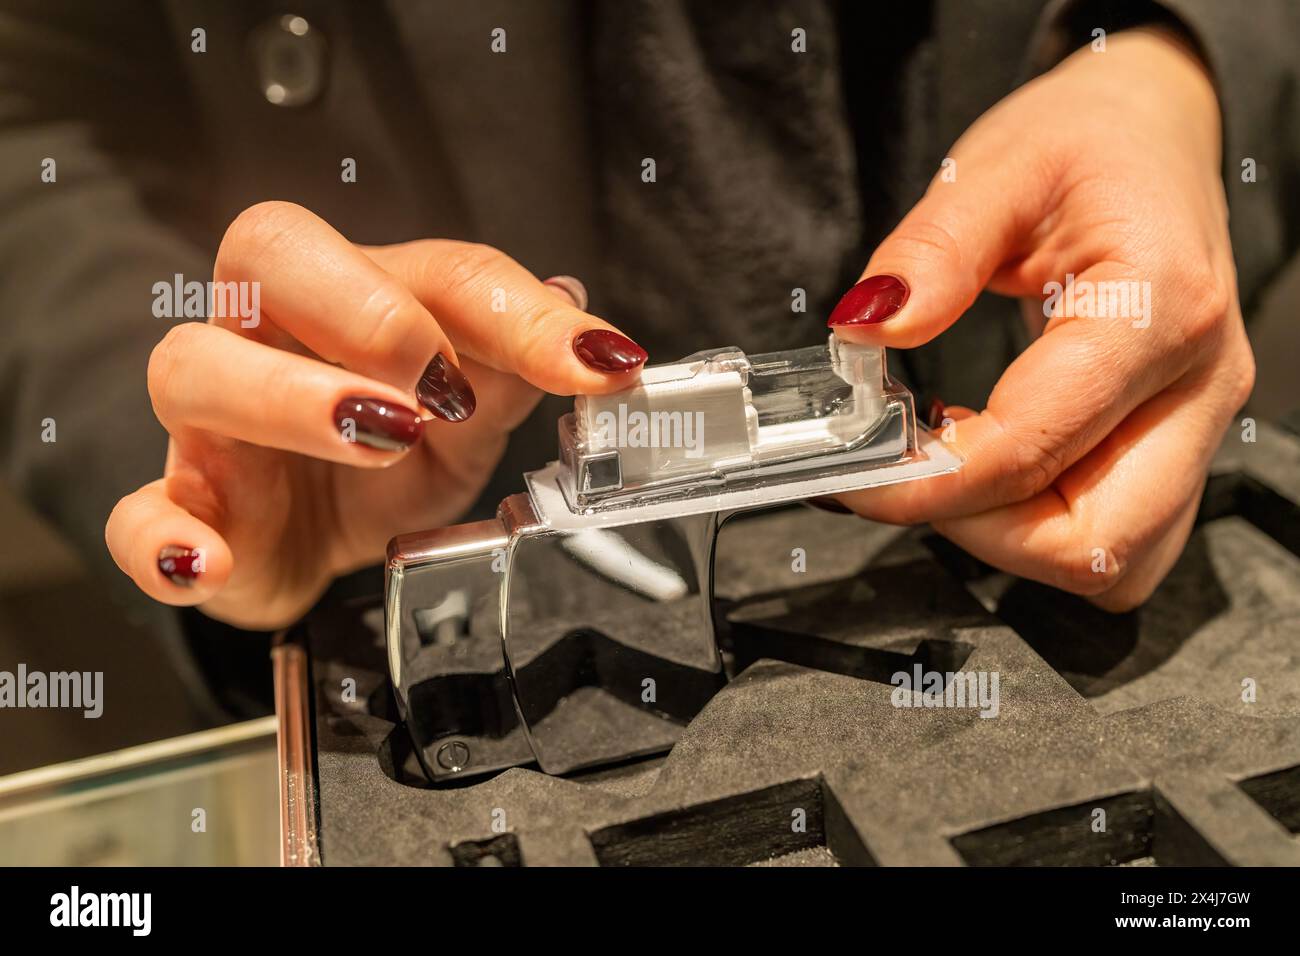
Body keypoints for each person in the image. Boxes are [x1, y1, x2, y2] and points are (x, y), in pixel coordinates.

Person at [1, 2, 1293, 714]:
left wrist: (1172, 68)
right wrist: (214, 448)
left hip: (1062, 530)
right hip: (471, 595)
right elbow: (31, 123)